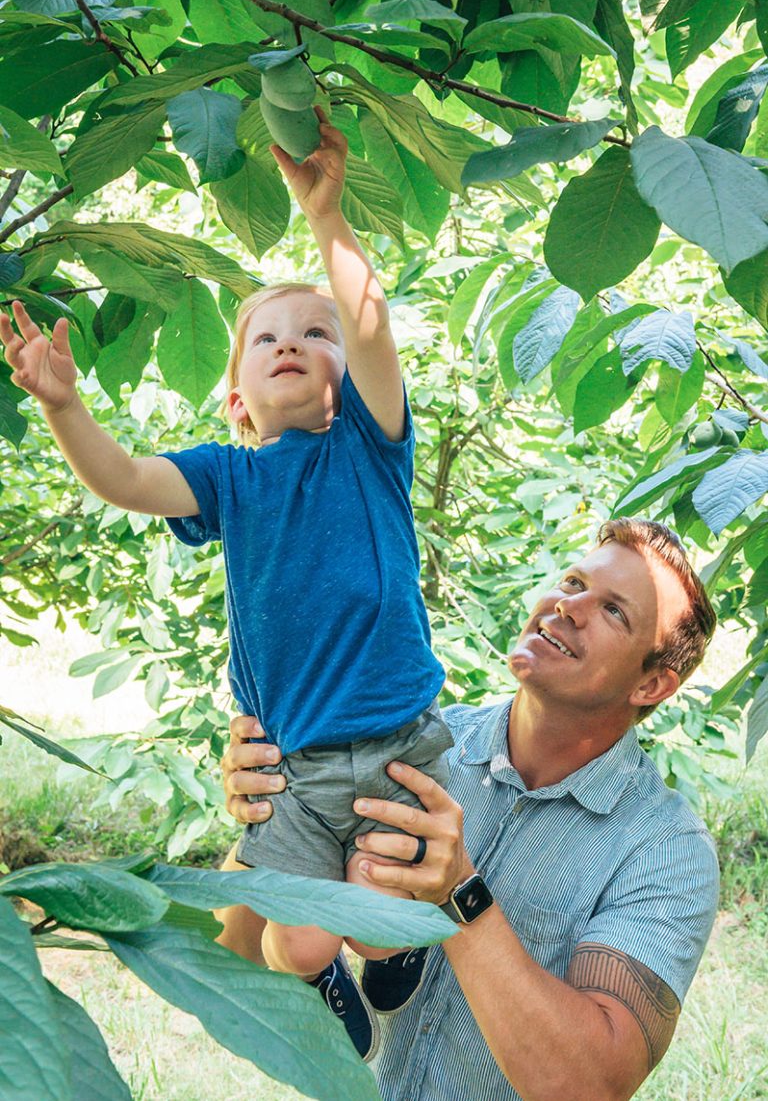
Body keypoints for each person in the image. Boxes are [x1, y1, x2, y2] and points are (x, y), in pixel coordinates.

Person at [0, 113, 452, 1038]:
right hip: (291, 764)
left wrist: (327, 218)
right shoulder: (228, 477)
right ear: (239, 399)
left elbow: (372, 324)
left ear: (346, 371)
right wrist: (64, 405)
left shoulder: (369, 451)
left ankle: (398, 945)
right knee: (304, 945)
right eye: (267, 337)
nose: (293, 340)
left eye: (314, 331)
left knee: (381, 902)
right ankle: (319, 985)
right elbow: (125, 479)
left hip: (399, 740)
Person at [222, 518, 721, 1100]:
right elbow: (233, 954)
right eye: (573, 581)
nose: (568, 605)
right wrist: (269, 817)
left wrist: (459, 895)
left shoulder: (667, 850)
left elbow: (591, 1087)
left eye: (614, 611)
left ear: (653, 686)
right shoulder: (409, 744)